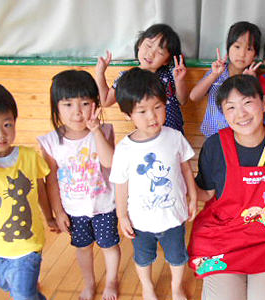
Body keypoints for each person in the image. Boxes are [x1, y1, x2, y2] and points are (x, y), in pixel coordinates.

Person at [188, 75, 265, 300]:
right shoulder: (215, 145)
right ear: (224, 113)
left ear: (264, 103)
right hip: (221, 237)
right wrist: (182, 181)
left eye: (247, 102)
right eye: (231, 107)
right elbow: (206, 192)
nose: (241, 114)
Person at [0, 82, 57, 300]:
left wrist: (49, 216)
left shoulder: (28, 156)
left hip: (27, 246)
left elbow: (40, 189)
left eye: (7, 124)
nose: (0, 134)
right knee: (11, 285)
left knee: (22, 295)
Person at [110, 67, 197, 300]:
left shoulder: (174, 136)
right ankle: (147, 287)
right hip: (141, 221)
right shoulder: (124, 149)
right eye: (142, 111)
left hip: (174, 215)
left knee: (178, 257)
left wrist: (194, 197)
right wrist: (122, 215)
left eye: (158, 107)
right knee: (143, 258)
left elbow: (186, 169)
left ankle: (176, 287)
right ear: (128, 114)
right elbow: (120, 184)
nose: (152, 116)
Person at [37, 70, 120, 300]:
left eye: (85, 103)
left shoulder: (103, 130)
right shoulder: (50, 142)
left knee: (109, 246)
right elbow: (50, 179)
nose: (77, 112)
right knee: (83, 248)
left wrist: (95, 131)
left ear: (95, 104)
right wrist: (58, 212)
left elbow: (109, 162)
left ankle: (112, 280)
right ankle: (89, 282)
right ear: (57, 107)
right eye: (68, 104)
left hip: (104, 205)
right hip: (74, 210)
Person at [95, 23, 189, 133]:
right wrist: (100, 73)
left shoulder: (170, 74)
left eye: (160, 52)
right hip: (147, 136)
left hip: (174, 135)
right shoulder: (128, 78)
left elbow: (182, 101)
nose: (150, 54)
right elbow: (105, 101)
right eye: (148, 46)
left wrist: (179, 80)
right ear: (140, 44)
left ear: (166, 60)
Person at [189, 21, 262, 137]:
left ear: (255, 55)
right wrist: (213, 75)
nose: (242, 54)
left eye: (249, 49)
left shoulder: (254, 78)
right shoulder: (218, 72)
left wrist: (251, 82)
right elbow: (194, 96)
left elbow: (263, 109)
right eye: (237, 47)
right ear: (228, 49)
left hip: (241, 139)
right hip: (213, 136)